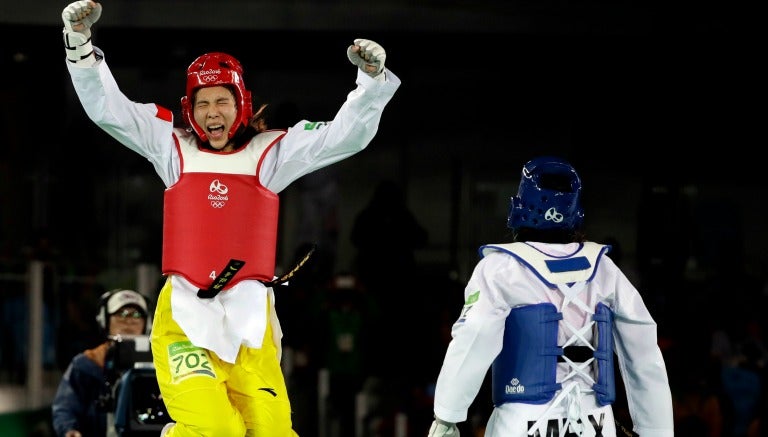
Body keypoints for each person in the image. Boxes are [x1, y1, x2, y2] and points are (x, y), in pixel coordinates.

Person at [60, 1, 401, 436]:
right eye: (203, 103)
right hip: (185, 318)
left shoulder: (271, 153)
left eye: (222, 100)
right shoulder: (172, 147)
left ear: (242, 104)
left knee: (273, 432)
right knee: (215, 430)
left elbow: (342, 137)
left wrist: (370, 84)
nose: (212, 112)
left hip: (249, 325)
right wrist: (80, 46)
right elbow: (110, 109)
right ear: (190, 108)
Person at [427, 156, 674, 437]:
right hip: (595, 423)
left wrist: (447, 416)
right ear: (575, 212)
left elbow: (475, 333)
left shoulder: (501, 267)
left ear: (519, 205)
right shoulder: (603, 268)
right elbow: (643, 353)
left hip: (522, 422)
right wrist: (658, 430)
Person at [51, 289, 150, 437]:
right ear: (105, 320)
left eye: (136, 315)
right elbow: (65, 407)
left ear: (147, 323)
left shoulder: (163, 362)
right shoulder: (87, 363)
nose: (129, 321)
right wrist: (69, 430)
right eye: (121, 314)